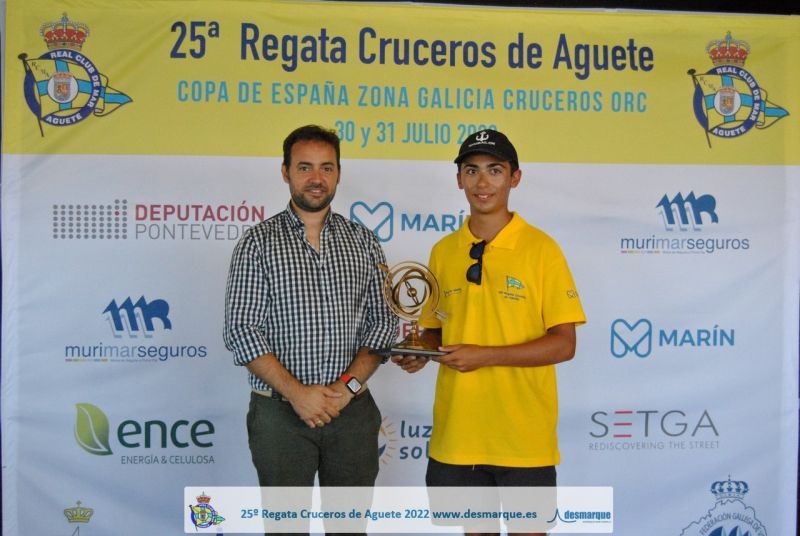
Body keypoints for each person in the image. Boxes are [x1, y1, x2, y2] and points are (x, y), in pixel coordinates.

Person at [394, 129, 586, 535]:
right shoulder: (443, 251)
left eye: (494, 170)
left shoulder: (542, 250)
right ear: (459, 179)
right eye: (472, 171)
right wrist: (418, 351)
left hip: (523, 438)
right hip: (458, 435)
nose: (482, 182)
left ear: (515, 177)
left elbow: (564, 344)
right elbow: (435, 331)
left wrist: (485, 355)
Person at [223, 125, 397, 498]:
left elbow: (383, 324)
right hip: (279, 417)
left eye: (326, 168)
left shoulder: (364, 242)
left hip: (351, 412)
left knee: (349, 523)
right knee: (286, 523)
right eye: (305, 167)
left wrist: (347, 388)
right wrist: (298, 393)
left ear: (338, 173)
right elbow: (241, 330)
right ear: (285, 172)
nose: (317, 179)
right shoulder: (258, 243)